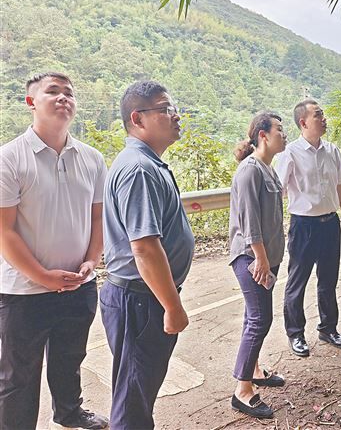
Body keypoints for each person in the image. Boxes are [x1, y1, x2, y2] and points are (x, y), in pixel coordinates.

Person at [0, 72, 109, 430]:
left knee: (70, 358)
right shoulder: (9, 158)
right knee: (18, 375)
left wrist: (92, 260)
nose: (63, 97)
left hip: (79, 285)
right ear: (31, 102)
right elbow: (4, 230)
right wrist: (43, 276)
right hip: (24, 292)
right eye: (52, 91)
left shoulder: (92, 158)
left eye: (69, 93)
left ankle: (69, 413)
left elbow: (97, 217)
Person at [101, 80, 195, 429]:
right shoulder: (139, 169)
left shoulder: (147, 163)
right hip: (140, 301)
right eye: (166, 109)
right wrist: (172, 306)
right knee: (133, 402)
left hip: (141, 298)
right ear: (138, 118)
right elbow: (144, 247)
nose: (176, 115)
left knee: (139, 393)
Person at [276, 100, 341, 357]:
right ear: (303, 122)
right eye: (318, 115)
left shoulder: (332, 151)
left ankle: (328, 328)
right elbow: (277, 192)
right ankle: (295, 333)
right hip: (304, 225)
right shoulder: (290, 153)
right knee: (297, 281)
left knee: (329, 280)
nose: (324, 119)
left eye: (323, 114)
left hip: (330, 223)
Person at [229, 112, 288, 419]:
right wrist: (261, 258)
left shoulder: (267, 168)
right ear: (262, 135)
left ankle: (253, 370)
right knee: (260, 319)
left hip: (265, 257)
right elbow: (249, 221)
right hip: (251, 257)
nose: (284, 134)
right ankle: (242, 390)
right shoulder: (250, 170)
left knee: (254, 316)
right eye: (279, 129)